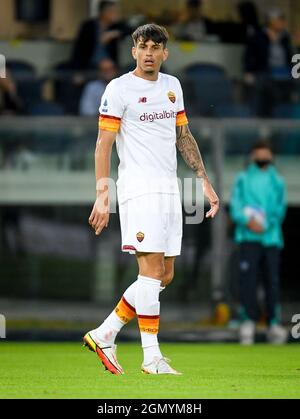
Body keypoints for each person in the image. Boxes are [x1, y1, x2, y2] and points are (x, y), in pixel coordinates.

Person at [84, 23, 219, 375]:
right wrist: (102, 193)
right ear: (133, 52)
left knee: (165, 275)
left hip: (170, 190)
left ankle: (105, 332)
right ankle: (151, 357)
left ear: (164, 53)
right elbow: (103, 145)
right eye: (142, 46)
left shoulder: (172, 87)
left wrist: (204, 181)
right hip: (138, 189)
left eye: (155, 47)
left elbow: (183, 135)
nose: (148, 52)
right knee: (150, 272)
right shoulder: (119, 89)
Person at [229, 140, 287, 345]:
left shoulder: (277, 181)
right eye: (259, 154)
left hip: (270, 238)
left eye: (266, 154)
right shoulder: (242, 179)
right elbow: (236, 206)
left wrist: (267, 224)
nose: (263, 158)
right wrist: (248, 222)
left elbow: (280, 208)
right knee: (248, 281)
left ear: (270, 157)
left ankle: (273, 323)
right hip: (248, 238)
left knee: (271, 281)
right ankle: (249, 321)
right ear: (253, 156)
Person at [244, 8, 294, 115]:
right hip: (264, 71)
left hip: (284, 72)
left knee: (292, 85)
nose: (283, 23)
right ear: (271, 21)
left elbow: (290, 57)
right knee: (261, 85)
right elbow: (249, 56)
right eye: (279, 20)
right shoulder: (258, 36)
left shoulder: (285, 38)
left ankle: (284, 116)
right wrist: (248, 72)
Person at [71, 0, 131, 70]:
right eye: (113, 12)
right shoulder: (88, 26)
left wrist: (114, 33)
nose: (116, 14)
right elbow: (79, 50)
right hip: (90, 65)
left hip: (111, 66)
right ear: (104, 12)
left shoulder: (116, 26)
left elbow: (130, 30)